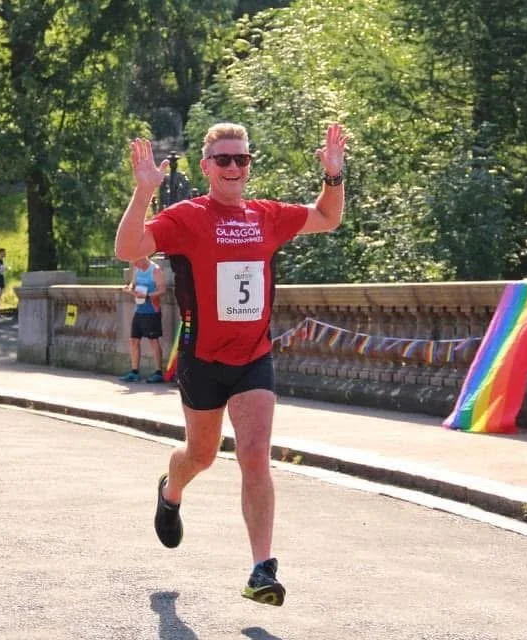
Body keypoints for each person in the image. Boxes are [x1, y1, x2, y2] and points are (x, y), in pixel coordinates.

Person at [113, 122, 347, 606]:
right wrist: (143, 194)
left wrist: (333, 177)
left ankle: (262, 568)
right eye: (224, 159)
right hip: (202, 360)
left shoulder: (267, 216)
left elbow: (327, 217)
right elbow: (128, 249)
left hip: (253, 358)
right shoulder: (186, 217)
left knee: (254, 455)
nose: (235, 167)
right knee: (200, 455)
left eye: (242, 159)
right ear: (207, 167)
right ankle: (171, 488)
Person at [119, 256, 167, 383]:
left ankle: (158, 372)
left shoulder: (155, 270)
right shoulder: (137, 268)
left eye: (136, 262)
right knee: (133, 340)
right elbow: (133, 284)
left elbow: (162, 290)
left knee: (153, 341)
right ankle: (134, 372)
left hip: (152, 311)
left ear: (143, 258)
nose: (136, 265)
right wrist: (129, 288)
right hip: (139, 310)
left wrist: (147, 295)